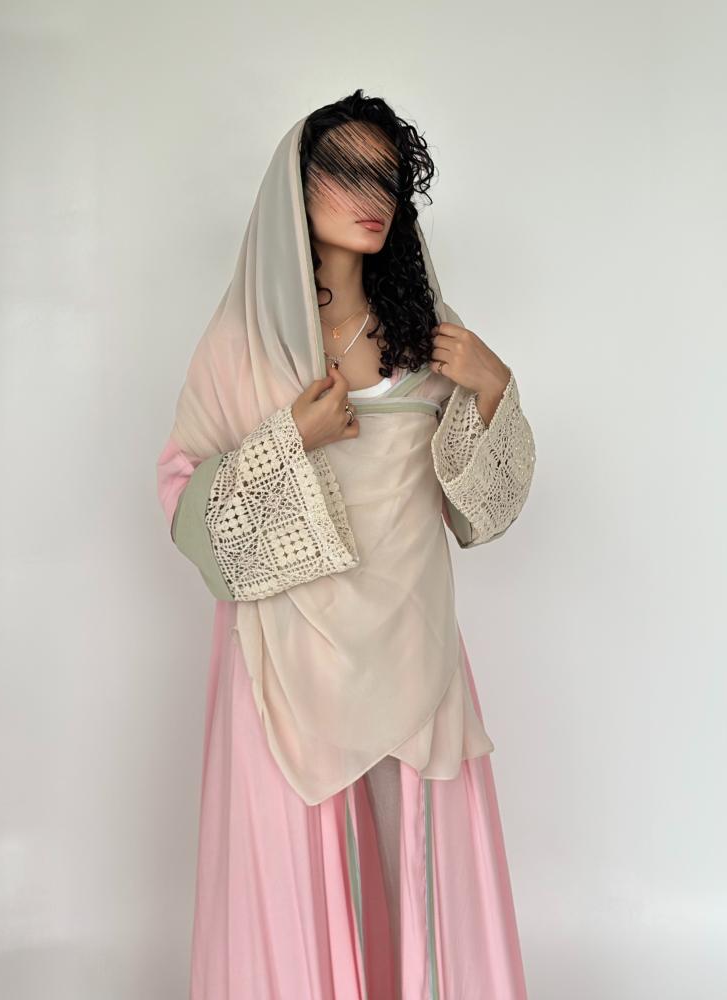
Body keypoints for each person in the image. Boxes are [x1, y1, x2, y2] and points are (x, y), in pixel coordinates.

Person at [156, 88, 536, 1000]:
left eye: (388, 180)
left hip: (411, 646)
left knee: (416, 868)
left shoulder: (425, 341)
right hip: (287, 658)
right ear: (295, 185)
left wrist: (492, 386)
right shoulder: (245, 347)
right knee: (301, 869)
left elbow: (479, 513)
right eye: (346, 173)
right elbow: (185, 508)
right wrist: (292, 438)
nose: (372, 197)